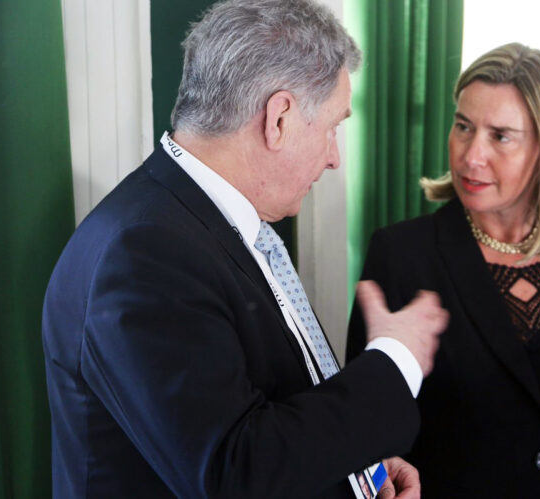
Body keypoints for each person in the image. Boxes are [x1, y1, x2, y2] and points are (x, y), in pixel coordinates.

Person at [42, 1, 448, 497]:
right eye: (332, 127)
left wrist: (360, 466)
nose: (334, 158)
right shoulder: (144, 253)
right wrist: (395, 359)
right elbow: (236, 472)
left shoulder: (201, 223)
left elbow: (260, 413)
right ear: (278, 118)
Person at [347, 42, 540, 498]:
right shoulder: (401, 254)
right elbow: (363, 431)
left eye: (501, 136)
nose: (471, 156)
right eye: (463, 126)